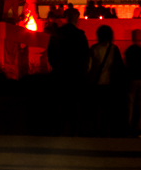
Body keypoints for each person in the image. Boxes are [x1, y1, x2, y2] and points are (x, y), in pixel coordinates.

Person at [47, 7, 90, 136]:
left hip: (60, 72)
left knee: (59, 104)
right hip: (75, 75)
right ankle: (73, 132)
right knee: (74, 104)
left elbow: (51, 53)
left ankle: (59, 131)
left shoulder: (57, 33)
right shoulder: (80, 35)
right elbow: (85, 56)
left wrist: (56, 66)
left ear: (66, 18)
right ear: (77, 20)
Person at [87, 25, 126, 136]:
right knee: (107, 110)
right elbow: (119, 67)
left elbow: (88, 68)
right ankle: (105, 131)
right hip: (110, 84)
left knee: (95, 109)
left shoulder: (94, 49)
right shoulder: (114, 49)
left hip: (96, 84)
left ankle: (95, 130)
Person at [124, 29, 141, 138]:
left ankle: (128, 126)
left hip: (132, 79)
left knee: (130, 104)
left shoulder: (129, 50)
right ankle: (140, 129)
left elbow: (126, 64)